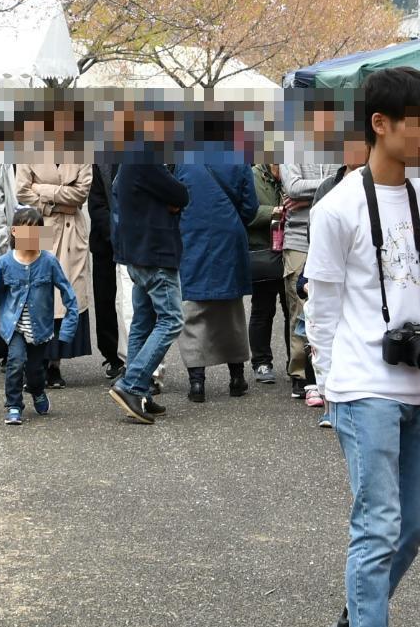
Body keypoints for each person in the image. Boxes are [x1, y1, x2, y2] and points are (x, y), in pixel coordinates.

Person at [308, 67, 420, 627]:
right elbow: (323, 304)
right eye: (418, 120)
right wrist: (328, 380)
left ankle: (356, 619)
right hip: (364, 384)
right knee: (378, 522)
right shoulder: (337, 207)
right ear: (380, 124)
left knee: (413, 527)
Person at [108, 108, 191, 425]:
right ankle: (130, 384)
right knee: (171, 320)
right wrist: (171, 201)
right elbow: (181, 194)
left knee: (143, 319)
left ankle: (139, 388)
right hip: (155, 254)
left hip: (136, 253)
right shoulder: (146, 157)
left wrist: (169, 200)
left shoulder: (130, 158)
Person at [178, 118, 258, 404]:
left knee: (194, 310)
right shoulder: (238, 159)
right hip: (229, 237)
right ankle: (237, 378)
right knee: (232, 311)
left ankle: (197, 383)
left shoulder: (183, 162)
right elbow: (251, 206)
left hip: (192, 238)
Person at [0, 206, 80, 425]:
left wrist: (69, 329)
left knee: (35, 371)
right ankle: (13, 405)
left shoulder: (49, 262)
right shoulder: (5, 263)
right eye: (26, 231)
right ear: (15, 232)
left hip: (40, 329)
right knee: (15, 362)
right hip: (13, 328)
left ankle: (37, 390)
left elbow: (69, 295)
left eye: (36, 232)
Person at [15, 113, 94, 386]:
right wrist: (59, 198)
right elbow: (22, 192)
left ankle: (54, 364)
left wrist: (43, 191)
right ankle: (31, 362)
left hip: (72, 228)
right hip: (36, 225)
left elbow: (82, 193)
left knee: (66, 291)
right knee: (33, 290)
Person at [282, 97, 344, 406]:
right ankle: (300, 373)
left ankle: (326, 374)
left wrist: (312, 194)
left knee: (329, 306)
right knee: (300, 306)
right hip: (298, 239)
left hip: (330, 236)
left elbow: (343, 183)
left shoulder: (341, 151)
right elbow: (292, 186)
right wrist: (325, 189)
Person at [247, 156, 289, 385]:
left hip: (290, 251)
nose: (280, 170)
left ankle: (296, 363)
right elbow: (247, 213)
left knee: (292, 310)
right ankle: (261, 362)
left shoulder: (294, 173)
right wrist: (275, 211)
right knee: (262, 310)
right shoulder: (253, 176)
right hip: (263, 252)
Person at [89, 149, 124, 380]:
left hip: (136, 238)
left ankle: (135, 356)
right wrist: (114, 233)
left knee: (133, 302)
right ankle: (112, 355)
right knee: (105, 299)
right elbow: (96, 202)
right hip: (105, 239)